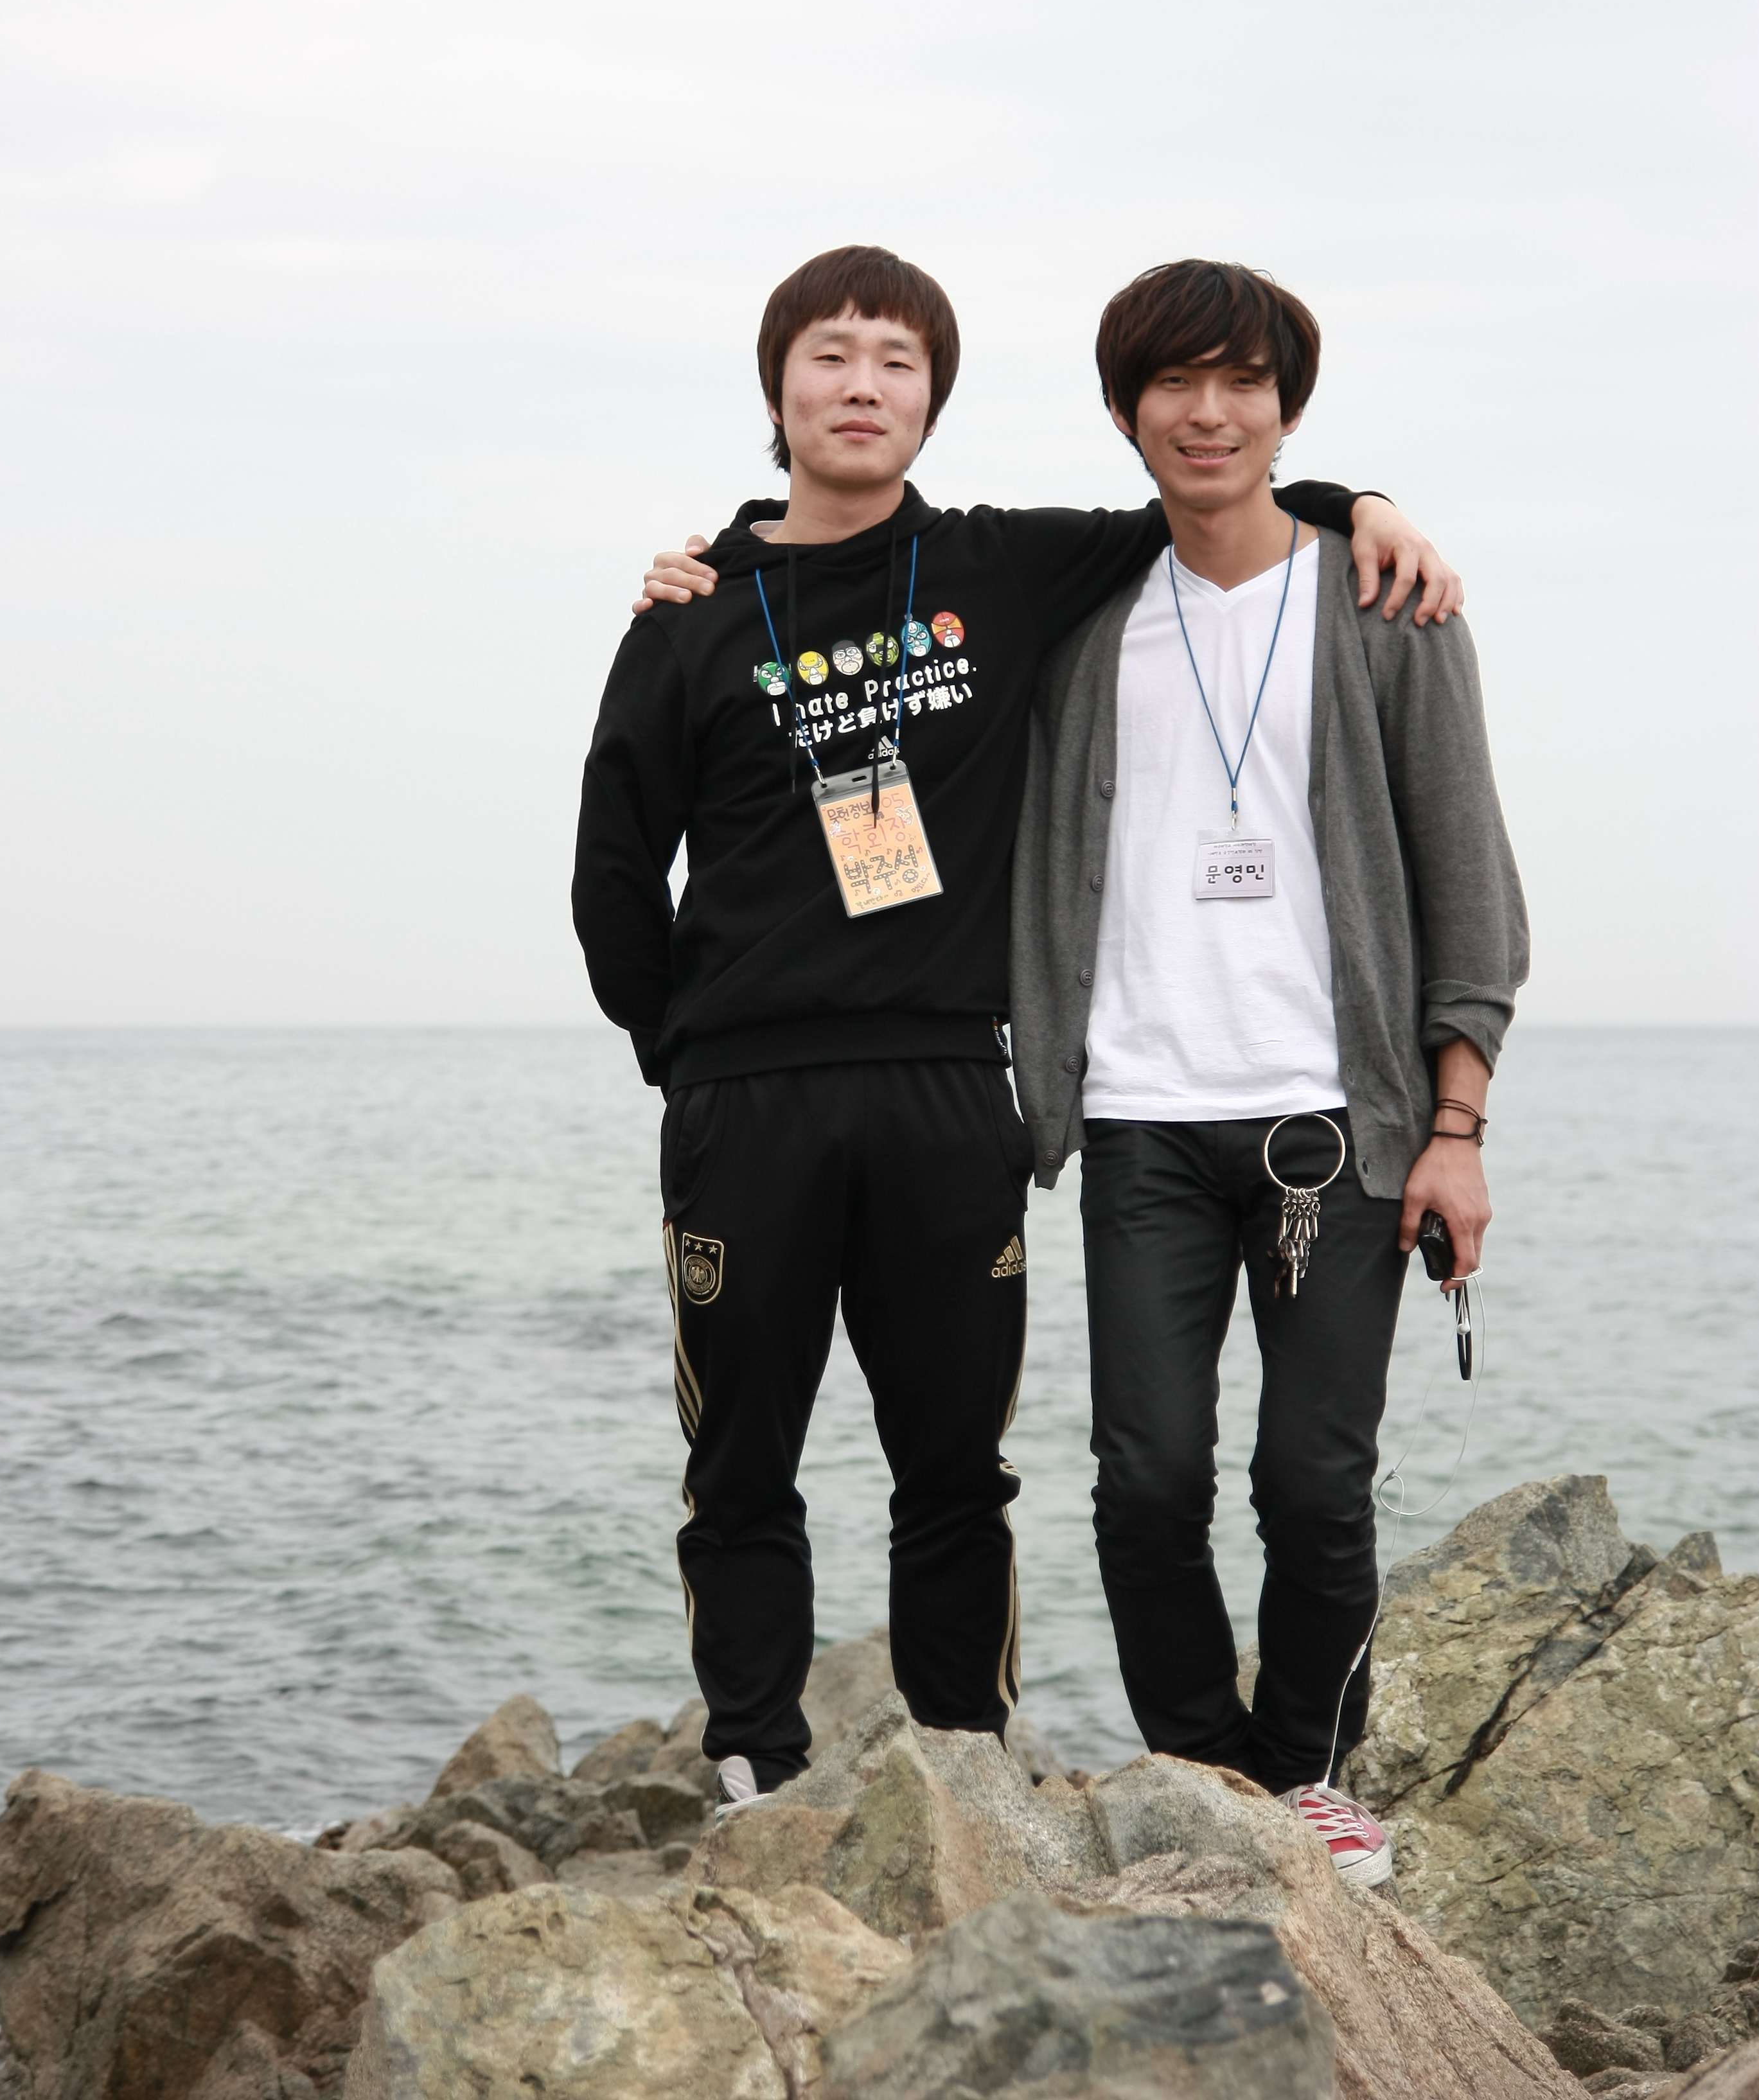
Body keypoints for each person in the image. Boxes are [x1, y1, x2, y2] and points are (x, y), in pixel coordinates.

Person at [576, 243, 1456, 1817]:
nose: (862, 386)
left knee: (956, 1471)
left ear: (934, 398)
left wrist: (1363, 501)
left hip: (945, 1088)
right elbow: (612, 870)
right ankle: (755, 1760)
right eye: (830, 356)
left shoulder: (1002, 566)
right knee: (741, 1462)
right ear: (777, 387)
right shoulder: (691, 613)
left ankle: (962, 1765)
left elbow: (1210, 487)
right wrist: (687, 1050)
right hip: (746, 1098)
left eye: (897, 362)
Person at [1009, 257, 1528, 1885]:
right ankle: (1199, 1766)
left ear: (1285, 408)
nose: (1208, 411)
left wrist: (1455, 1126)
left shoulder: (1384, 607)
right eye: (1174, 382)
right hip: (1138, 1115)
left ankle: (1306, 1771)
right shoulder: (1079, 621)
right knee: (1144, 1477)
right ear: (1124, 412)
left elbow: (1467, 886)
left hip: (1334, 1122)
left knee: (1311, 1479)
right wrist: (720, 555)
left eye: (1242, 381)